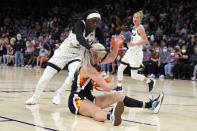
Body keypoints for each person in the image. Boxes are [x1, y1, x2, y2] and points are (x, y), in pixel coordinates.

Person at [68, 42, 164, 126]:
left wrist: (117, 43)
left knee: (118, 96)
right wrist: (105, 79)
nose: (100, 60)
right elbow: (107, 87)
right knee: (96, 110)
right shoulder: (88, 68)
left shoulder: (94, 64)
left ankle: (151, 105)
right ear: (93, 54)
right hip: (77, 100)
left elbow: (111, 58)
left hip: (89, 98)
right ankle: (111, 116)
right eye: (100, 58)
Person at [26, 10, 106, 105]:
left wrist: (101, 59)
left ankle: (59, 93)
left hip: (77, 54)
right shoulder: (80, 24)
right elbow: (80, 38)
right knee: (45, 77)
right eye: (93, 21)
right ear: (87, 20)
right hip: (64, 52)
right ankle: (35, 97)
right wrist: (91, 48)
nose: (95, 24)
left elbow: (103, 46)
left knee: (73, 76)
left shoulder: (98, 31)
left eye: (97, 22)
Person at [114, 10, 156, 92]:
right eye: (134, 17)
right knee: (120, 68)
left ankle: (150, 81)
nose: (135, 19)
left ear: (140, 19)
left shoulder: (141, 28)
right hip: (130, 51)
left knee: (134, 75)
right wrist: (124, 39)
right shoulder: (133, 27)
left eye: (137, 18)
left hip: (137, 53)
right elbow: (134, 38)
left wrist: (135, 44)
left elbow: (145, 40)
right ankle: (119, 87)